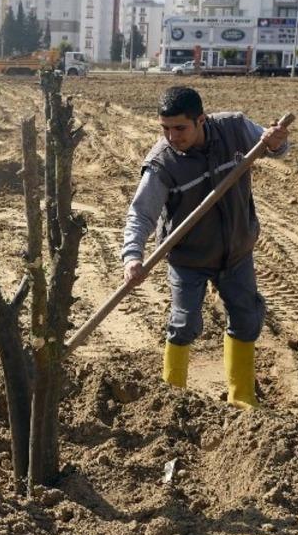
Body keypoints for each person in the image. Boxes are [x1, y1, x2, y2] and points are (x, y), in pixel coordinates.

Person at [120, 86, 289, 408]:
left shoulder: (234, 129)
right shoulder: (162, 163)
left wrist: (277, 143)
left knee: (246, 318)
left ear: (201, 120)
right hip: (189, 259)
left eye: (180, 128)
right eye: (165, 129)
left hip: (237, 251)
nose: (172, 136)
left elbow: (275, 147)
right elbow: (141, 213)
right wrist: (132, 256)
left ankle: (242, 397)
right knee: (184, 324)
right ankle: (173, 398)